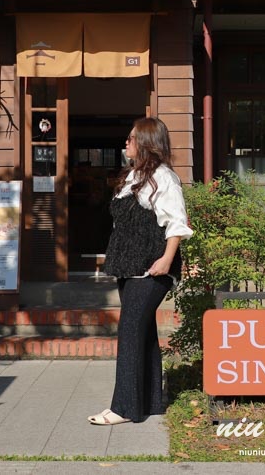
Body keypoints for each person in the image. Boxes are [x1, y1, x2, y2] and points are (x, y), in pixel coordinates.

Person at [88, 116, 192, 426]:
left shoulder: (164, 179)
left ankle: (124, 407)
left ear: (146, 143)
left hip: (152, 269)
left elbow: (176, 224)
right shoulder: (134, 177)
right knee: (143, 333)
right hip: (130, 268)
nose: (126, 143)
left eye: (131, 138)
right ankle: (151, 403)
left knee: (130, 331)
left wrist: (166, 260)